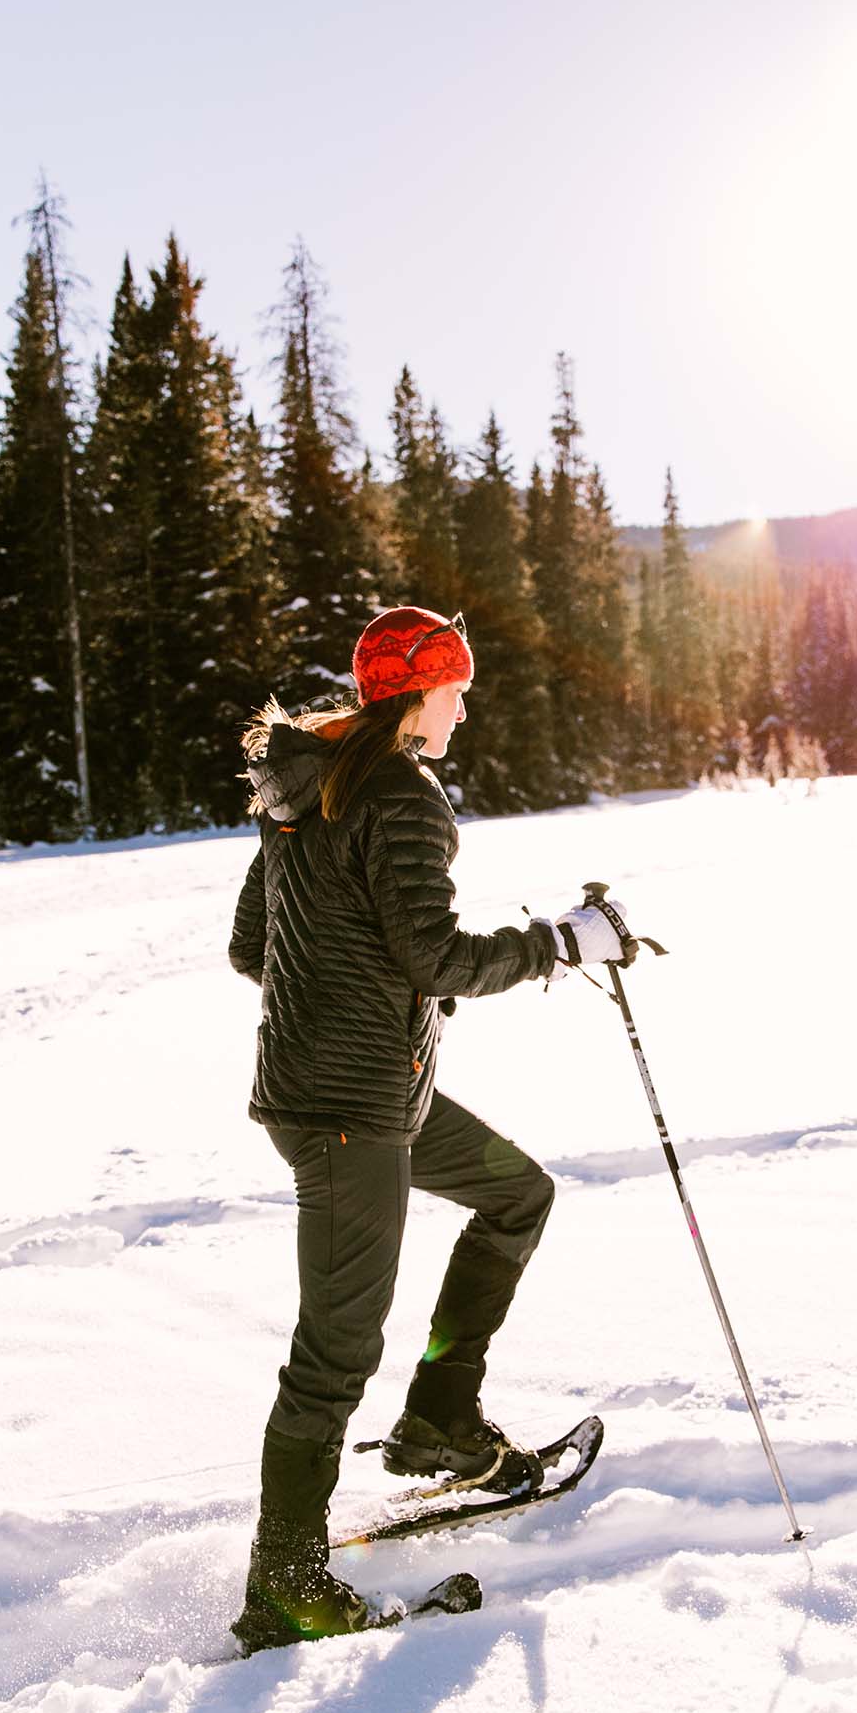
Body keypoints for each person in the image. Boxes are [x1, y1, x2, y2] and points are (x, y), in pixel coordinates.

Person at [226, 607, 637, 1652]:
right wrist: (559, 944)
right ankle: (284, 1584)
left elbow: (250, 947)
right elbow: (439, 961)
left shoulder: (305, 785)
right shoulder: (400, 793)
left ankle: (439, 1421)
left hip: (368, 1089)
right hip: (346, 1113)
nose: (463, 706)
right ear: (415, 697)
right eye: (454, 688)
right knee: (334, 1352)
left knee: (515, 1194)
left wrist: (348, 972)